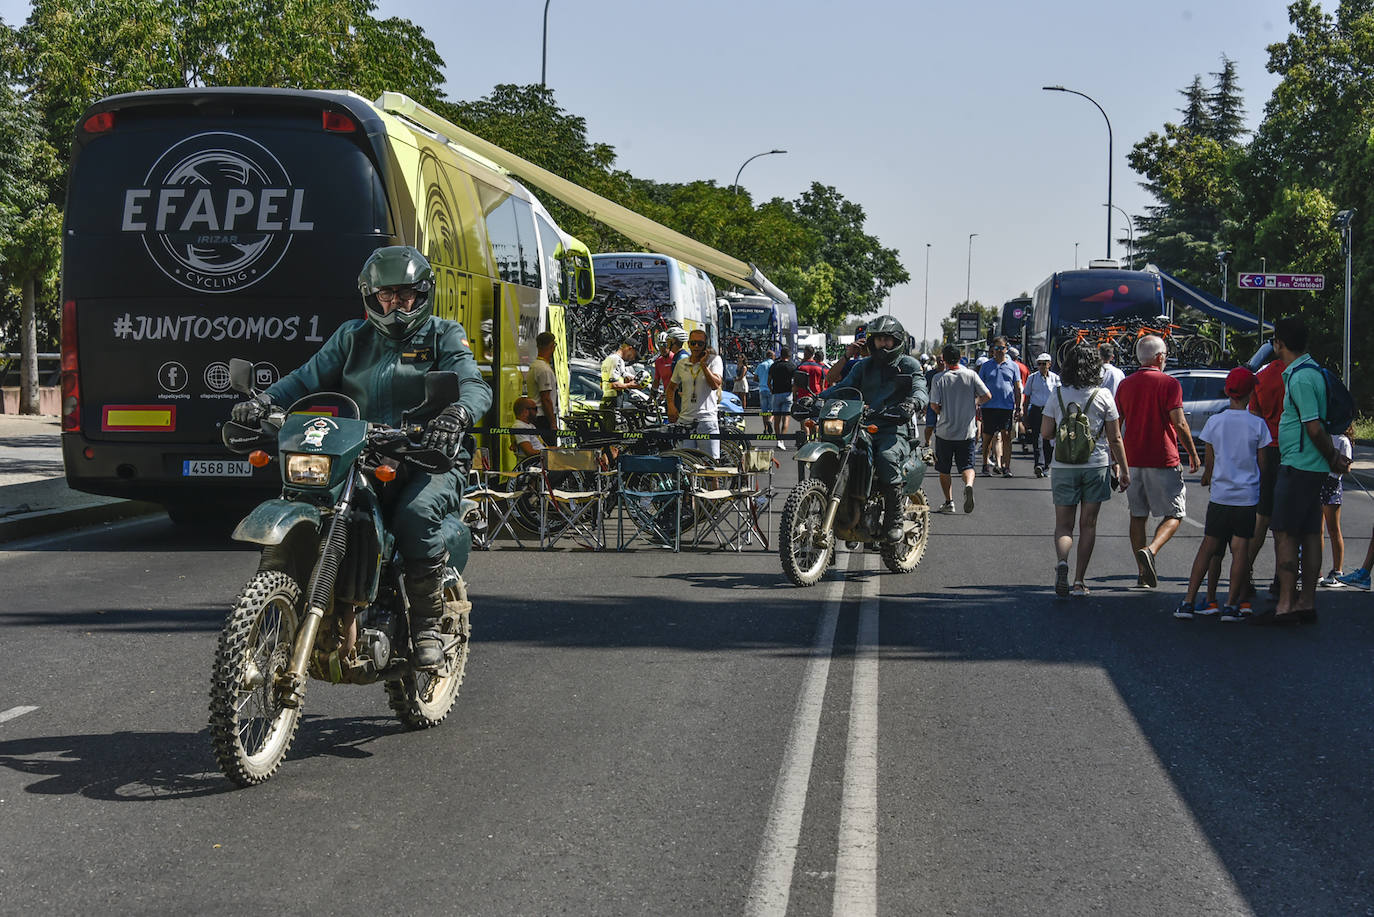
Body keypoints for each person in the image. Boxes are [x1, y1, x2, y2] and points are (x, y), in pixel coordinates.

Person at [231, 245, 491, 669]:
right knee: (319, 500)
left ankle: (426, 626)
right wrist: (263, 402)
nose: (395, 304)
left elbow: (473, 383)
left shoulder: (443, 334)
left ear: (423, 294)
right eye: (385, 295)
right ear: (371, 296)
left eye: (405, 294)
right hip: (363, 449)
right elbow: (304, 379)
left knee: (416, 514)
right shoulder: (353, 337)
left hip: (429, 454)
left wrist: (457, 414)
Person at [1253, 316, 1352, 625]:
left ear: (1279, 343)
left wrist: (1333, 456)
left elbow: (1313, 427)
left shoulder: (1300, 378)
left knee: (1284, 534)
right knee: (1310, 533)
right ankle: (1305, 603)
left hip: (1299, 465)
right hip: (1311, 466)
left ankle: (1285, 605)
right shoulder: (1310, 372)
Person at [813, 315, 927, 542]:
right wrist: (817, 399)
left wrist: (913, 403)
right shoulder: (863, 366)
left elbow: (920, 388)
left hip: (893, 427)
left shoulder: (908, 365)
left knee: (886, 456)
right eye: (878, 339)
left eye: (887, 339)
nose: (882, 344)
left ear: (897, 341)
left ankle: (894, 518)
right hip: (862, 425)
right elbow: (844, 387)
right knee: (840, 451)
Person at [1174, 367, 1271, 620]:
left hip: (1221, 496)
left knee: (1208, 547)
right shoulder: (1258, 425)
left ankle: (1188, 601)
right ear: (1250, 394)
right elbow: (1263, 464)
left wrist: (1208, 477)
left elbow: (1210, 462)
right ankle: (1231, 605)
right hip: (1247, 497)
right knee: (1240, 550)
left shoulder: (1215, 422)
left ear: (1228, 392)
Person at [1041, 342, 1129, 598]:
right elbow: (1115, 438)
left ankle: (1062, 562)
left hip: (1063, 466)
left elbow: (1046, 433)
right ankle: (1079, 581)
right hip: (1096, 465)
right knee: (1088, 524)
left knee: (1063, 526)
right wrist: (1124, 470)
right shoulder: (1103, 395)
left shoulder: (1057, 393)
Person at [1115, 334, 1200, 588]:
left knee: (1137, 515)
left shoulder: (1125, 385)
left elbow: (1117, 424)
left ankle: (1143, 574)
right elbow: (1179, 422)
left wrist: (1117, 460)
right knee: (1175, 513)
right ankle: (1151, 551)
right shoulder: (1170, 384)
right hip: (1163, 458)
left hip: (1133, 458)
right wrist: (1193, 453)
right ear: (1160, 357)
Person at [1244, 349, 1289, 602]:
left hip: (1268, 450)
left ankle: (1245, 572)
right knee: (1286, 524)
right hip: (1293, 450)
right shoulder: (1297, 374)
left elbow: (1255, 418)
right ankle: (1281, 578)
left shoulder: (1262, 377)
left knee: (1262, 518)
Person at [930, 343, 991, 514]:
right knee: (967, 465)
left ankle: (949, 502)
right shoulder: (971, 375)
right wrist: (975, 403)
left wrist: (942, 411)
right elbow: (987, 395)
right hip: (967, 431)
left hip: (945, 432)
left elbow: (934, 404)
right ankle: (968, 485)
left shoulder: (939, 378)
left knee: (944, 469)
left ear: (944, 359)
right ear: (960, 358)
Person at [666, 328, 724, 460]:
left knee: (710, 464)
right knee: (684, 463)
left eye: (700, 343)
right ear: (688, 344)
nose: (696, 346)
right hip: (685, 421)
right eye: (693, 343)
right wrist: (671, 406)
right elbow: (671, 388)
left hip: (706, 420)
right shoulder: (682, 363)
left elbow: (715, 385)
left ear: (705, 345)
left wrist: (704, 365)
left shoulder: (714, 360)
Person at [977, 336, 1022, 477]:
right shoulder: (986, 366)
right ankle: (985, 464)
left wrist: (1018, 407)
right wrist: (978, 403)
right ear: (993, 350)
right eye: (996, 348)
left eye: (1002, 348)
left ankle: (1006, 467)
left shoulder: (1013, 366)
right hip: (989, 406)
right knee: (987, 437)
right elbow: (979, 386)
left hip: (1006, 407)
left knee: (1006, 436)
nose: (999, 351)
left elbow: (1017, 387)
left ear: (1006, 349)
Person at [1317, 423, 1353, 586]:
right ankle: (1316, 571)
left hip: (1331, 484)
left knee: (1333, 529)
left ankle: (1337, 571)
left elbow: (1347, 468)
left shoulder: (1343, 440)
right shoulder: (1322, 436)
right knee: (1317, 530)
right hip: (1319, 482)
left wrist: (1334, 462)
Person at [1023, 352, 1060, 477]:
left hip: (1050, 411)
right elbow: (1027, 396)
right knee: (1037, 438)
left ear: (1049, 364)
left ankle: (1047, 465)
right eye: (1039, 364)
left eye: (1044, 364)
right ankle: (1039, 464)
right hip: (1036, 410)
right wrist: (1024, 414)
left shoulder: (1055, 378)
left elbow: (1059, 396)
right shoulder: (1032, 378)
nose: (1042, 366)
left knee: (1049, 439)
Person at [527, 331, 559, 446]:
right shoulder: (544, 369)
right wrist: (553, 423)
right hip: (543, 417)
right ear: (552, 346)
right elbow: (546, 399)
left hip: (535, 415)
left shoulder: (535, 366)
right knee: (549, 450)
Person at [767, 347, 796, 450]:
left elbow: (768, 381)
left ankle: (778, 439)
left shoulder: (774, 365)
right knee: (786, 418)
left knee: (777, 418)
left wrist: (772, 390)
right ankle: (781, 440)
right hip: (787, 394)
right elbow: (795, 383)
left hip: (776, 394)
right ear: (789, 355)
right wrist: (794, 393)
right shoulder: (792, 366)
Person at [601, 339, 641, 403]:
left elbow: (616, 379)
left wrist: (628, 379)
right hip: (611, 402)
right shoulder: (615, 359)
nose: (633, 358)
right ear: (629, 348)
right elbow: (613, 385)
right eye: (634, 354)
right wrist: (630, 385)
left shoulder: (617, 360)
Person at [923, 351, 947, 451]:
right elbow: (924, 389)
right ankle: (927, 442)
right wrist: (924, 404)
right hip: (932, 403)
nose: (941, 362)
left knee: (941, 429)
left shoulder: (949, 374)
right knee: (930, 426)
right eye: (939, 360)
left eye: (943, 360)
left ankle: (939, 448)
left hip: (945, 404)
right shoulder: (930, 374)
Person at [755, 349, 776, 436]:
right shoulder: (774, 365)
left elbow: (755, 378)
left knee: (764, 411)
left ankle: (765, 429)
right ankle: (770, 421)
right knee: (773, 409)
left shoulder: (761, 365)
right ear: (772, 356)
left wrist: (761, 381)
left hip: (762, 389)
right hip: (771, 389)